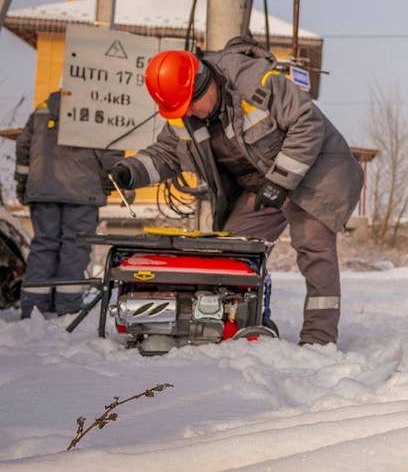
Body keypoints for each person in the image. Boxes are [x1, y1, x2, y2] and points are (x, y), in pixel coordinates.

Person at [103, 37, 363, 346]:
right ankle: (243, 323)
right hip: (261, 184)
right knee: (232, 253)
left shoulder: (256, 82)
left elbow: (307, 124)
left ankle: (319, 341)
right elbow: (166, 154)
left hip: (313, 172)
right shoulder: (186, 115)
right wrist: (129, 172)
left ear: (205, 84)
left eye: (190, 106)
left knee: (314, 249)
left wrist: (280, 181)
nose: (190, 114)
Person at [14, 90, 122, 318]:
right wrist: (121, 184)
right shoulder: (98, 112)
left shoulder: (42, 110)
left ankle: (34, 306)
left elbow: (23, 147)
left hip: (43, 190)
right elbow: (110, 153)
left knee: (43, 244)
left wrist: (23, 185)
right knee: (74, 247)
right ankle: (67, 307)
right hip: (82, 191)